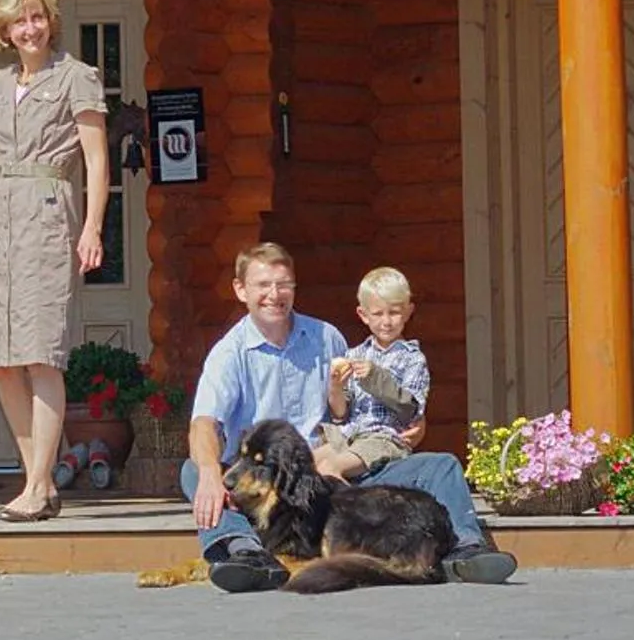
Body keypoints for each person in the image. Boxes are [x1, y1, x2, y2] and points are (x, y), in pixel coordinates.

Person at [183, 243, 517, 590]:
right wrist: (210, 472)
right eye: (263, 285)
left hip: (336, 473)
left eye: (284, 285)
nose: (275, 295)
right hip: (272, 482)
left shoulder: (326, 338)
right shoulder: (229, 352)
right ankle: (247, 555)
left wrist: (413, 426)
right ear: (241, 290)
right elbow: (203, 423)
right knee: (194, 470)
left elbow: (359, 407)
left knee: (442, 465)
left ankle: (465, 550)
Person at [0, 0, 110, 522]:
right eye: (19, 21)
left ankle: (38, 486)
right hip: (4, 218)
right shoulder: (1, 83)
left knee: (42, 354)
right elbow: (1, 169)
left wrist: (91, 227)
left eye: (37, 17)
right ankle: (37, 479)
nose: (30, 28)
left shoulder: (77, 77)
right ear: (4, 31)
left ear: (50, 20)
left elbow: (95, 159)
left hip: (49, 211)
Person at [315, 264, 429, 482]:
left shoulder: (413, 358)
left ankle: (347, 513)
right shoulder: (355, 353)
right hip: (349, 436)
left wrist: (375, 377)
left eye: (394, 312)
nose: (386, 322)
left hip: (385, 439)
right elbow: (341, 414)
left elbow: (411, 410)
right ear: (363, 315)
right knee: (304, 466)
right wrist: (336, 387)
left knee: (329, 469)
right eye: (378, 314)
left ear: (408, 312)